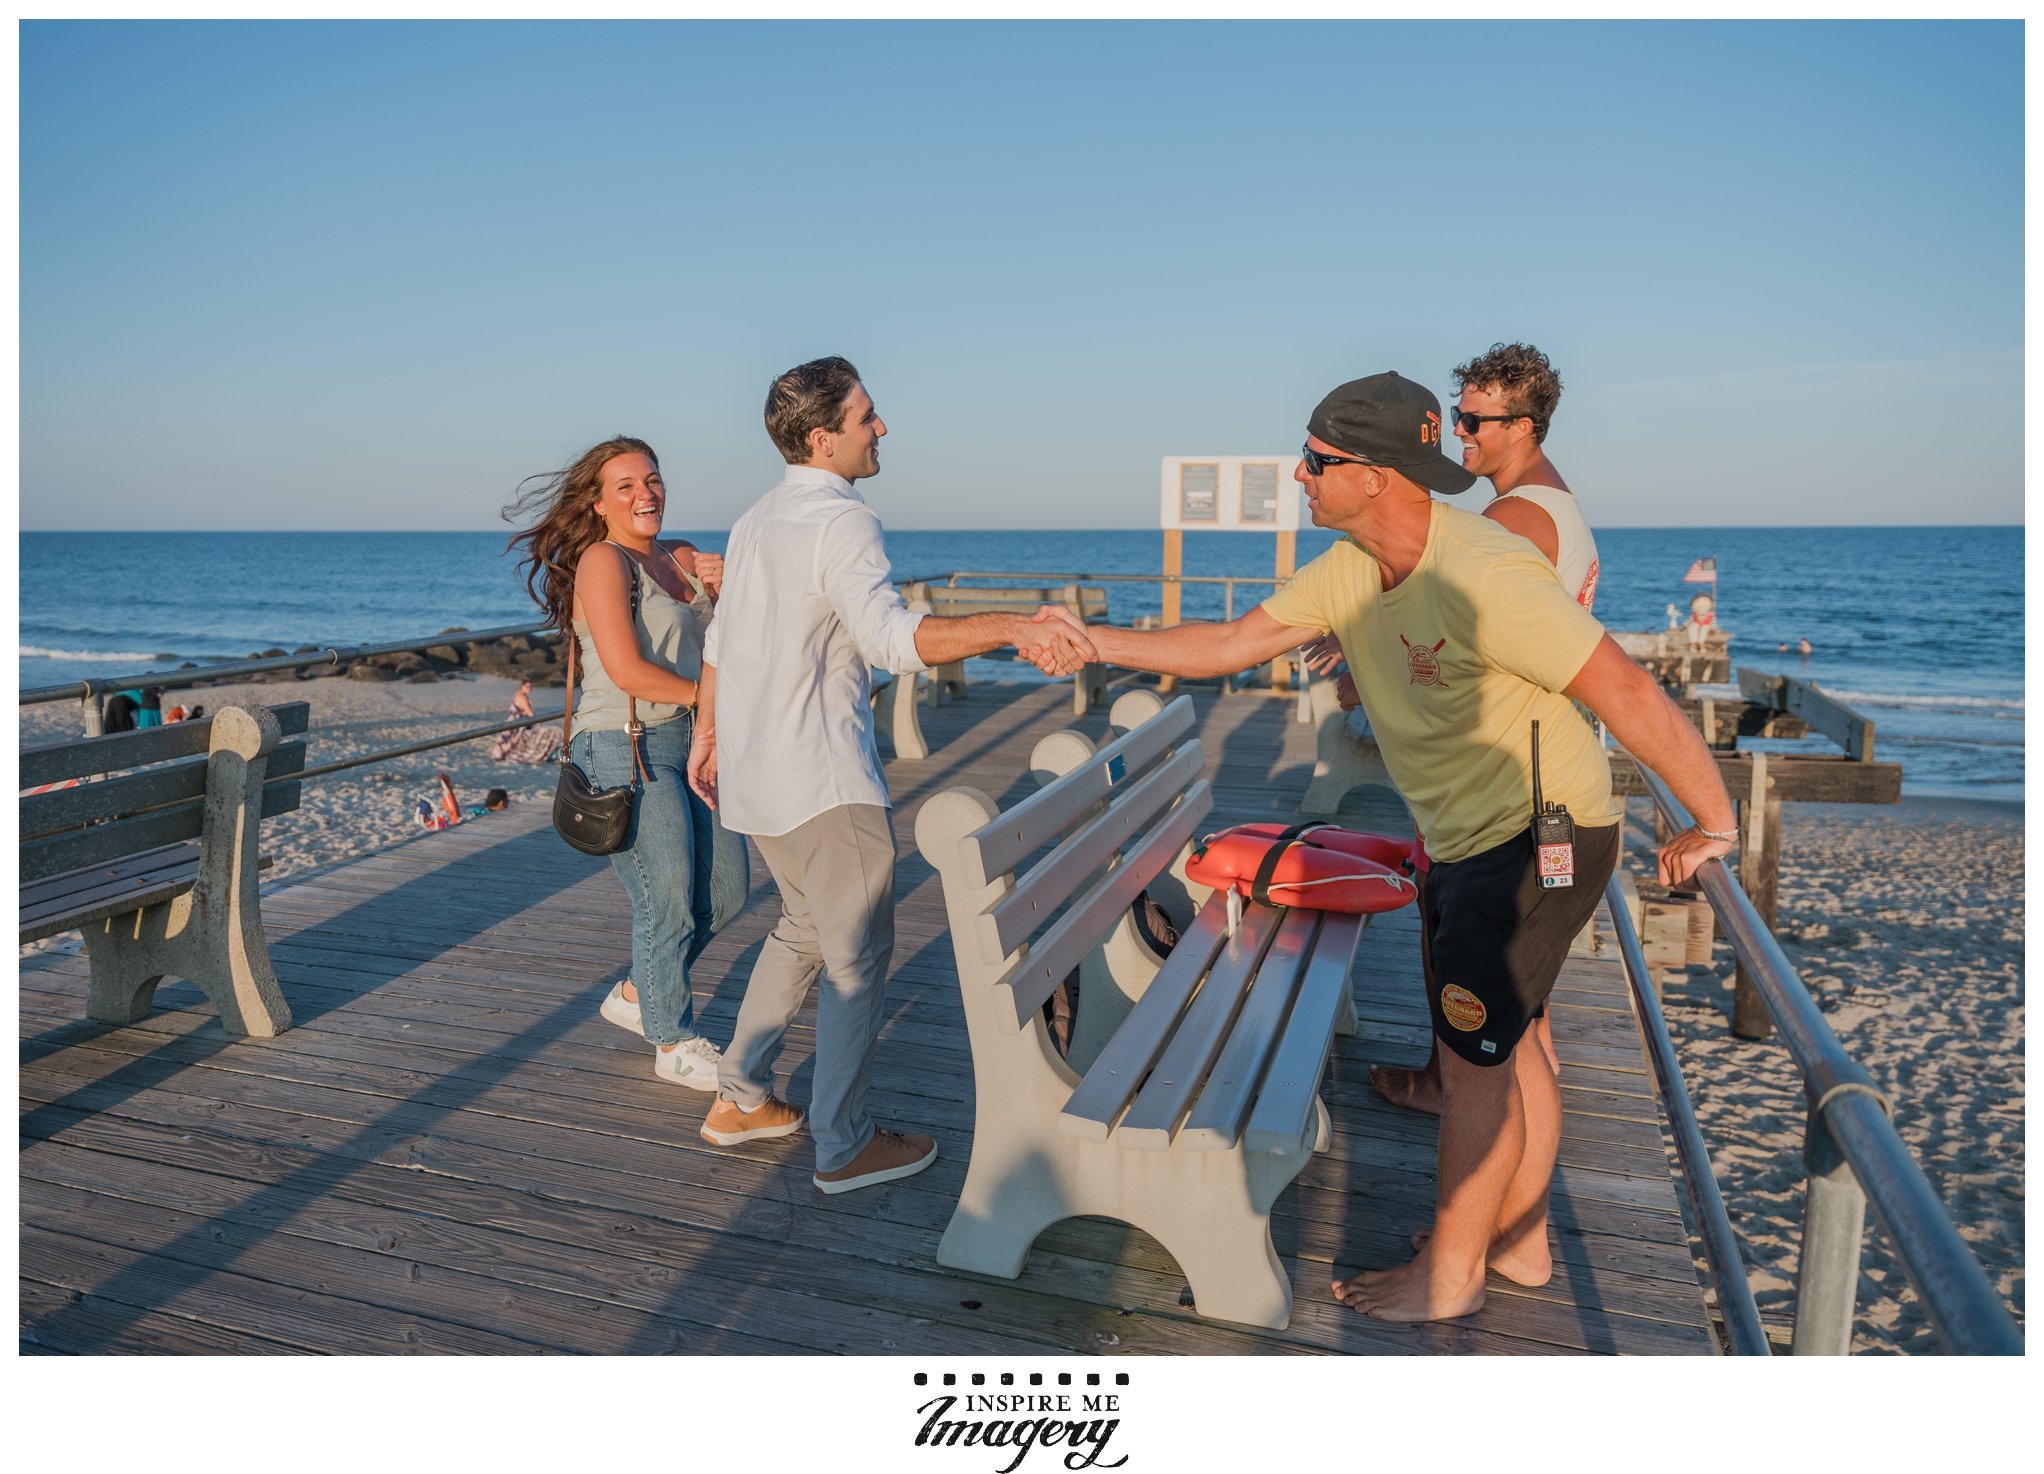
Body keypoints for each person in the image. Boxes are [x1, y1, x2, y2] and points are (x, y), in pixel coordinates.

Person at [1063, 371, 1737, 1322]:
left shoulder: (1489, 572)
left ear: (1377, 475)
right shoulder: (1349, 567)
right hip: (1466, 834)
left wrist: (1713, 821)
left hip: (1541, 834)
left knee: (1474, 1062)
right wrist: (1094, 643)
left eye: (1319, 461)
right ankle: (1518, 1242)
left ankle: (1453, 1274)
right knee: (1513, 1045)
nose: (1300, 475)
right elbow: (1225, 644)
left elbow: (1626, 692)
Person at [686, 355, 1094, 1195]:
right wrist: (1013, 626)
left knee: (802, 928)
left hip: (758, 780)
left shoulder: (754, 519)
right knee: (855, 961)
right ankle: (843, 1144)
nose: (883, 427)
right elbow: (887, 639)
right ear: (822, 436)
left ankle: (739, 1098)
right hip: (822, 783)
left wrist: (706, 734)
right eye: (868, 416)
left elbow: (721, 644)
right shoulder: (843, 520)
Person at [1363, 342, 1595, 1115]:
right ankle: (1494, 1080)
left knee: (1463, 932)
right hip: (1533, 762)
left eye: (1472, 419)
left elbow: (1462, 633)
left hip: (1503, 771)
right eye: (1457, 413)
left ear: (1524, 426)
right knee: (1519, 977)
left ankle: (1457, 1088)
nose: (1458, 431)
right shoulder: (1551, 503)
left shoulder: (1517, 518)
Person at [504, 435, 748, 1090]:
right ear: (600, 502)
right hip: (623, 741)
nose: (646, 494)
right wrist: (718, 697)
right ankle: (672, 1042)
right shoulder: (602, 563)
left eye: (654, 480)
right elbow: (627, 669)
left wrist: (725, 591)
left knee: (726, 891)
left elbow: (722, 642)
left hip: (691, 736)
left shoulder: (683, 557)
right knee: (667, 897)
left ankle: (639, 993)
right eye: (627, 486)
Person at [492, 677, 564, 764]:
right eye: (527, 686)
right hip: (517, 726)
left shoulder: (522, 695)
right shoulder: (521, 696)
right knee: (552, 731)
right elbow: (529, 713)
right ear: (522, 686)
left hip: (521, 724)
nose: (529, 689)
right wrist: (538, 723)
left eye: (530, 687)